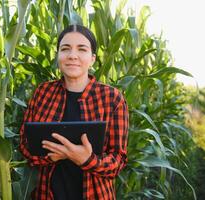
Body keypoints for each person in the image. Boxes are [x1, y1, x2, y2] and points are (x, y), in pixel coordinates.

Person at [19, 24, 129, 200]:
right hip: (45, 195)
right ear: (58, 55)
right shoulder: (43, 93)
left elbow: (118, 160)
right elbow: (25, 144)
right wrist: (54, 156)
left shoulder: (112, 99)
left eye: (82, 49)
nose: (72, 56)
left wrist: (87, 159)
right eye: (65, 49)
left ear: (92, 58)